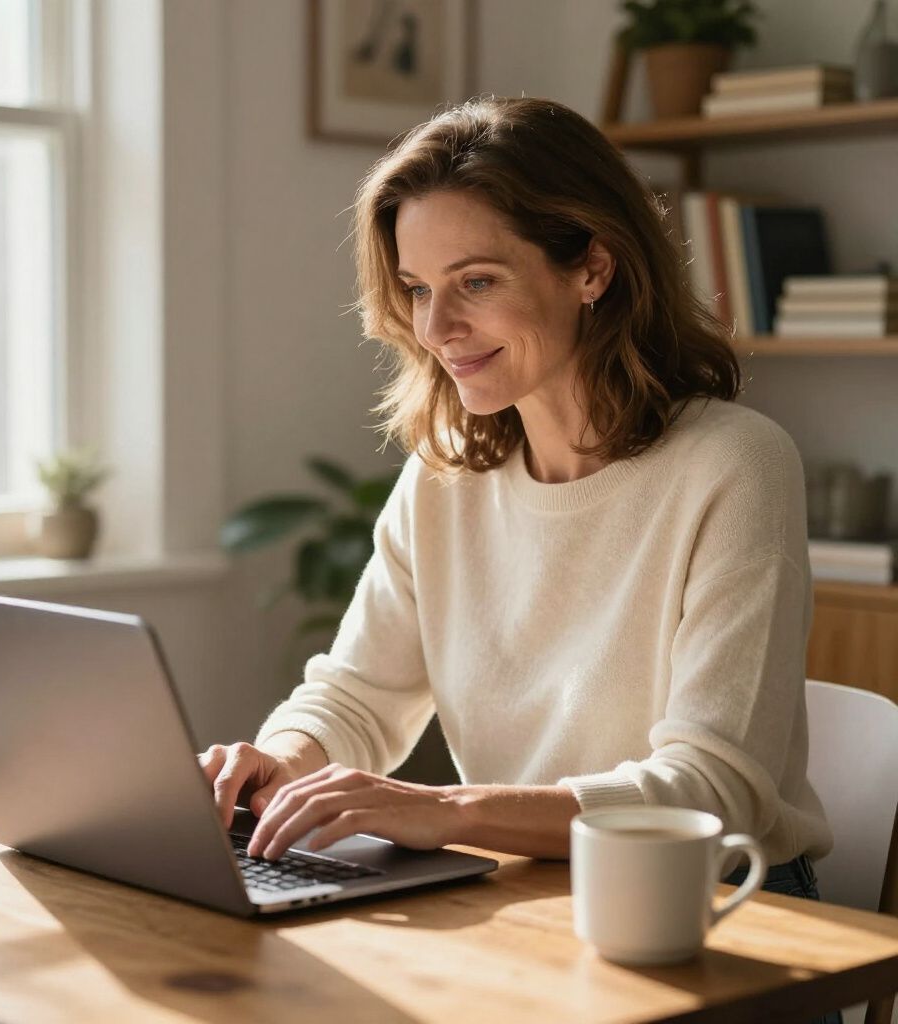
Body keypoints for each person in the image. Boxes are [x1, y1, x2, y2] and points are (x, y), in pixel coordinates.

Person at [200, 97, 832, 905]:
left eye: (476, 281)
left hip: (720, 910)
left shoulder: (734, 464)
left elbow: (708, 789)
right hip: (533, 894)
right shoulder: (443, 476)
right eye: (418, 287)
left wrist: (443, 809)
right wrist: (280, 760)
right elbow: (358, 694)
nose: (437, 326)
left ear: (592, 269)